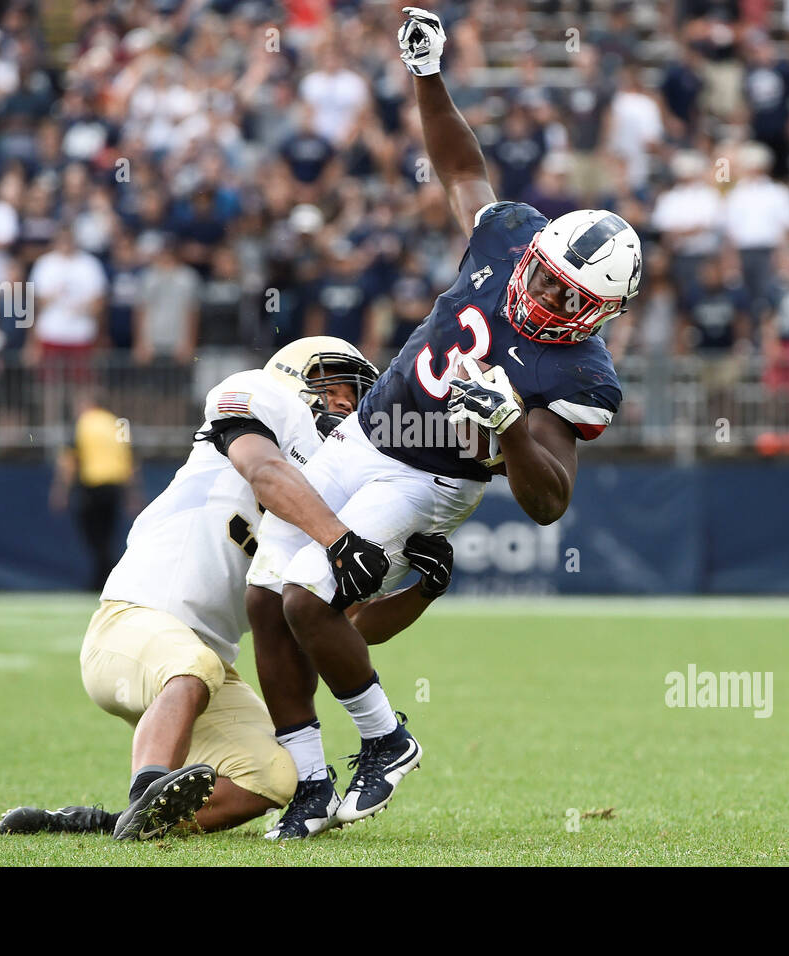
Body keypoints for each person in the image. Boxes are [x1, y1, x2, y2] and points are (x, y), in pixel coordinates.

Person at [245, 7, 638, 839]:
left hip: (430, 479)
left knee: (307, 594)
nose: (551, 296)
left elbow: (548, 501)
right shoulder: (510, 240)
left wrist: (512, 428)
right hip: (363, 436)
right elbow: (461, 170)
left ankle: (387, 741)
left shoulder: (583, 373)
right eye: (550, 277)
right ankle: (310, 781)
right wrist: (427, 73)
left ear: (602, 312)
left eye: (575, 296)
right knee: (261, 597)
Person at [2, 338, 451, 839]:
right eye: (337, 386)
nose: (347, 403)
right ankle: (143, 793)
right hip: (133, 623)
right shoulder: (260, 393)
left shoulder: (338, 491)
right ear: (297, 372)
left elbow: (339, 629)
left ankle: (109, 825)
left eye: (358, 396)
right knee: (190, 669)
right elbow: (264, 470)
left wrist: (423, 590)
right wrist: (341, 541)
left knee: (275, 776)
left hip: (212, 663)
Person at [50, 390, 141, 591]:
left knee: (95, 537)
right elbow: (130, 461)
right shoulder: (118, 423)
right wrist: (133, 494)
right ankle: (104, 578)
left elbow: (69, 460)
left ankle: (104, 580)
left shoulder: (82, 424)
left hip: (91, 486)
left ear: (88, 404)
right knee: (107, 536)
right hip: (115, 486)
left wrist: (61, 490)